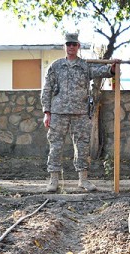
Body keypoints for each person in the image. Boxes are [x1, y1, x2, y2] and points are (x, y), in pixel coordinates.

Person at [41, 33, 117, 192]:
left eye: (74, 44)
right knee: (55, 146)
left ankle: (83, 180)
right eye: (68, 44)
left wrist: (111, 69)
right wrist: (47, 112)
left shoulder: (84, 66)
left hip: (80, 113)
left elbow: (100, 71)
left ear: (78, 46)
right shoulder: (56, 66)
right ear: (64, 46)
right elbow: (47, 89)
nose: (71, 47)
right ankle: (53, 180)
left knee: (82, 146)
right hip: (58, 112)